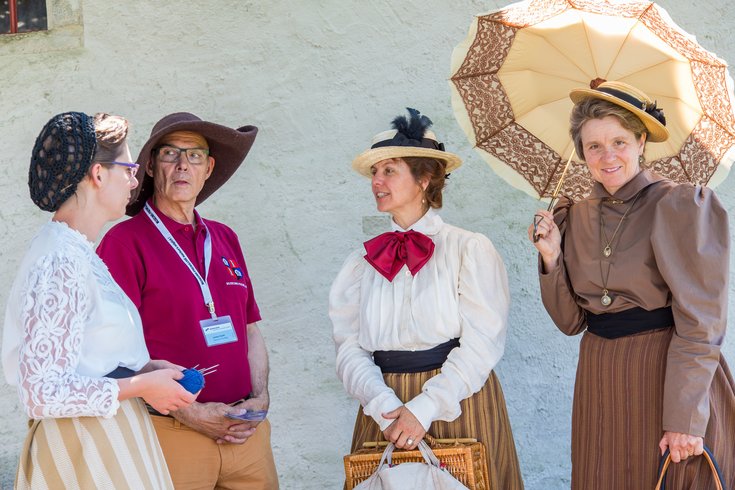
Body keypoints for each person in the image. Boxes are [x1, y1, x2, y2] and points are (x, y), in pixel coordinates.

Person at [529, 80, 735, 489]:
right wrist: (551, 255)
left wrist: (685, 419)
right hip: (599, 377)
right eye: (594, 146)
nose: (607, 157)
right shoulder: (573, 216)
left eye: (619, 142)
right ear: (581, 151)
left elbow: (701, 324)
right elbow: (572, 322)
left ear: (641, 141)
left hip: (665, 377)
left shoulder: (679, 205)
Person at [330, 108, 524, 489]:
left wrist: (424, 409)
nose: (377, 181)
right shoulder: (359, 264)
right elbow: (348, 348)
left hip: (457, 404)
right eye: (375, 172)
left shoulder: (468, 249)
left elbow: (483, 342)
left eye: (390, 170)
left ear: (424, 179)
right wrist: (386, 409)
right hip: (381, 409)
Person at [2, 112, 197, 489]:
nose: (135, 180)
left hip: (107, 437)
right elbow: (41, 393)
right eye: (128, 168)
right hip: (84, 450)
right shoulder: (59, 258)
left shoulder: (77, 253)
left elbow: (87, 361)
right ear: (98, 174)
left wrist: (143, 370)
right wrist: (142, 387)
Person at [97, 112, 278, 489]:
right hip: (172, 433)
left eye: (195, 155)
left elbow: (250, 327)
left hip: (246, 434)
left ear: (209, 167)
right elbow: (114, 351)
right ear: (150, 165)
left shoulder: (225, 238)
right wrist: (193, 414)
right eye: (170, 154)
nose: (183, 166)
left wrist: (260, 396)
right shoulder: (123, 243)